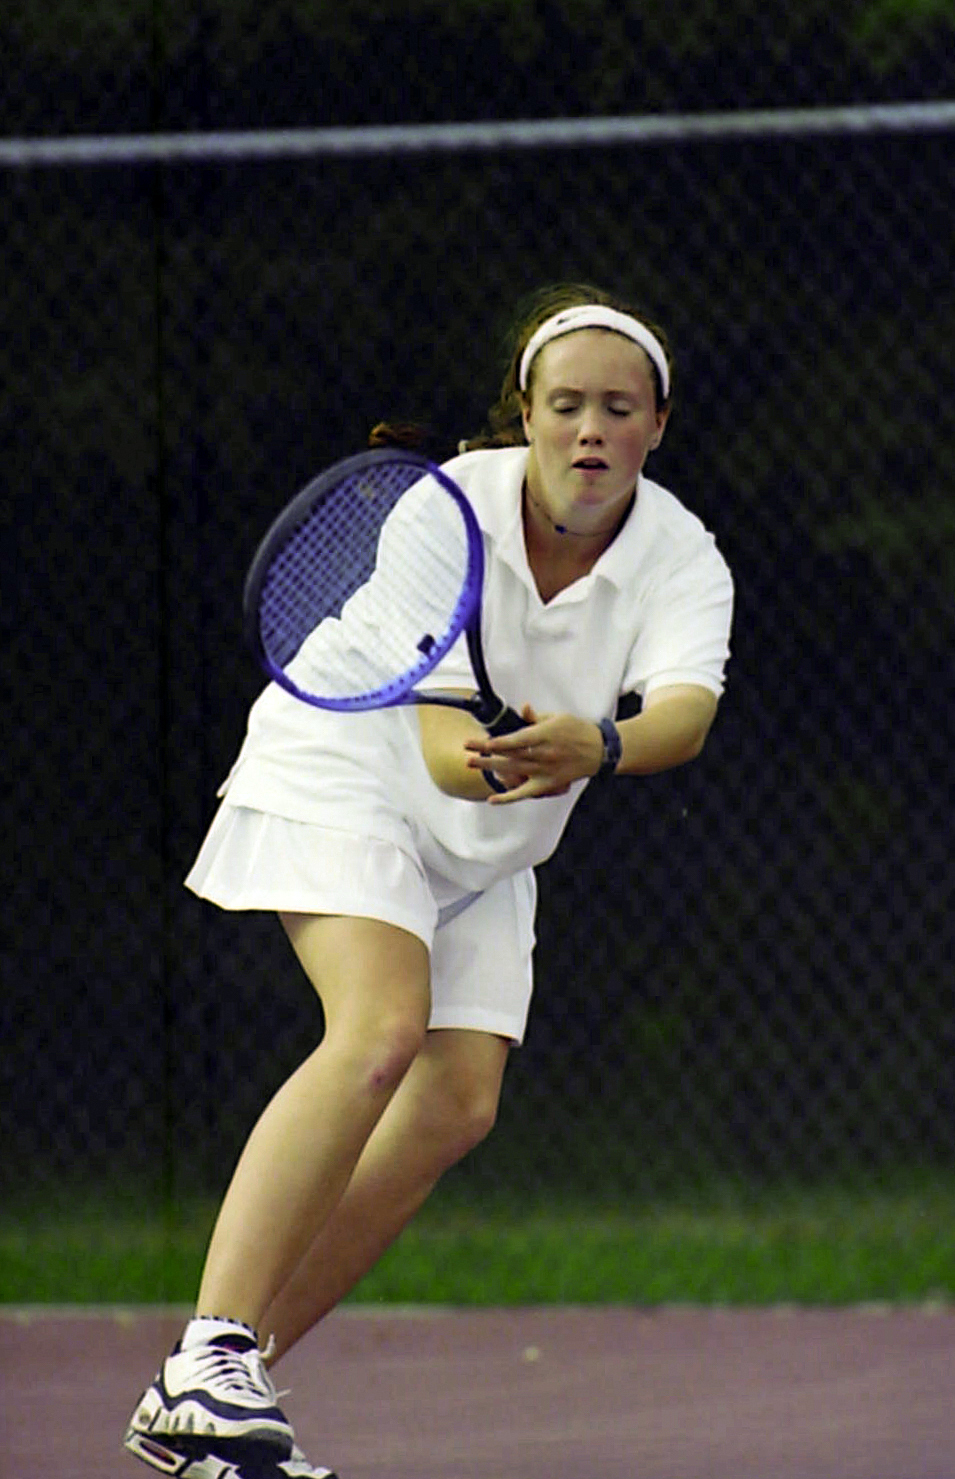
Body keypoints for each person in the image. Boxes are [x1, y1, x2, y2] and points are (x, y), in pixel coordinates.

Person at [123, 283, 734, 1479]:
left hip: (491, 837)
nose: (591, 430)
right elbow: (447, 751)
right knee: (381, 1027)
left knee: (456, 1105)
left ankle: (210, 1401)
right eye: (566, 405)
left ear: (657, 424)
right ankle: (210, 1352)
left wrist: (597, 744)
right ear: (526, 412)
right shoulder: (441, 510)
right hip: (348, 771)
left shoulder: (681, 553)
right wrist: (533, 755)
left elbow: (685, 712)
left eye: (618, 409)